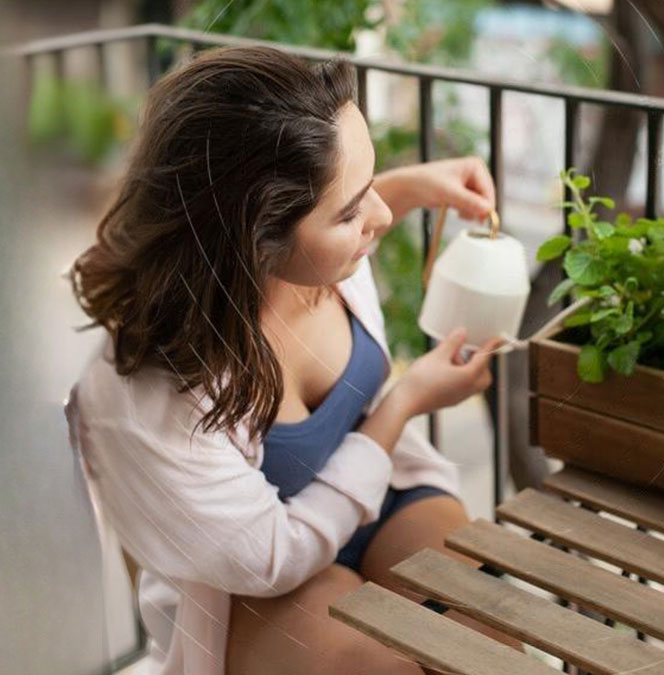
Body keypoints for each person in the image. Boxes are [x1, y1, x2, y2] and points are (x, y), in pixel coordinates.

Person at [64, 45, 513, 674]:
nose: (379, 219)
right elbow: (274, 556)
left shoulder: (304, 257)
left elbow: (316, 211)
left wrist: (408, 186)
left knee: (491, 643)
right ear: (257, 239)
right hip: (266, 581)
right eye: (354, 209)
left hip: (386, 498)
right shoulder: (155, 393)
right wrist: (404, 404)